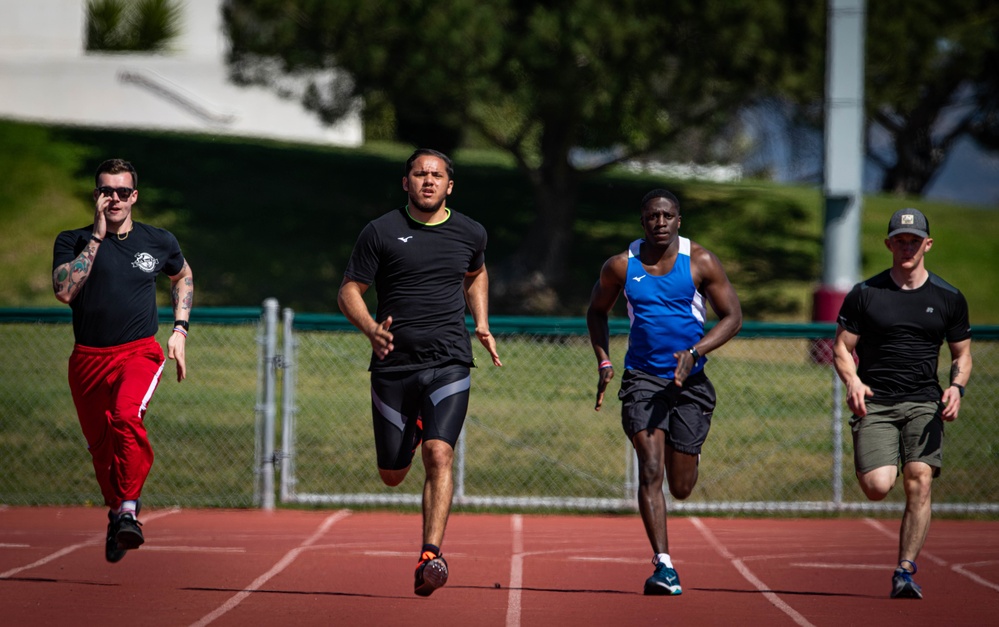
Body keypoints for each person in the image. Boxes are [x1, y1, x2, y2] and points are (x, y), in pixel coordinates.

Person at [337, 148, 502, 597]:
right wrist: (370, 327)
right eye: (419, 174)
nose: (428, 181)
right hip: (394, 366)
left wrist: (481, 322)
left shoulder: (470, 231)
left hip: (449, 360)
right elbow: (349, 288)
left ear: (450, 185)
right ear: (405, 182)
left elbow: (476, 273)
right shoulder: (380, 231)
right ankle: (409, 435)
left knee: (440, 455)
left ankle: (431, 554)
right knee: (392, 473)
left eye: (437, 175)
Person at [586, 189, 742, 596]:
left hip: (690, 382)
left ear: (679, 221)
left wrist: (696, 352)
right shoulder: (621, 266)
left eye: (667, 216)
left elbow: (733, 316)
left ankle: (688, 449)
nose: (660, 223)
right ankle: (664, 566)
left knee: (681, 487)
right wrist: (604, 361)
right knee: (650, 468)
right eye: (652, 216)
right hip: (642, 380)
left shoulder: (701, 262)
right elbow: (596, 311)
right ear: (643, 222)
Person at [52, 158, 193, 563]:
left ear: (134, 196)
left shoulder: (158, 240)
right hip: (87, 359)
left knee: (125, 417)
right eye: (105, 191)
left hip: (138, 352)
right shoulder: (72, 240)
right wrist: (97, 237)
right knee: (100, 447)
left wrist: (180, 331)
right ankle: (118, 515)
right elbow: (64, 291)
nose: (113, 198)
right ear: (95, 195)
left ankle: (130, 508)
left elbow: (182, 275)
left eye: (121, 192)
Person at [833, 207, 972, 600]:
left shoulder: (948, 298)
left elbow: (962, 355)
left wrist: (956, 388)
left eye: (914, 240)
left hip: (924, 402)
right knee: (878, 486)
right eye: (900, 240)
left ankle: (905, 571)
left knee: (919, 479)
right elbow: (843, 348)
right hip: (875, 401)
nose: (907, 246)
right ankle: (875, 454)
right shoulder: (866, 294)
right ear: (889, 244)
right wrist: (853, 381)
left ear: (927, 244)